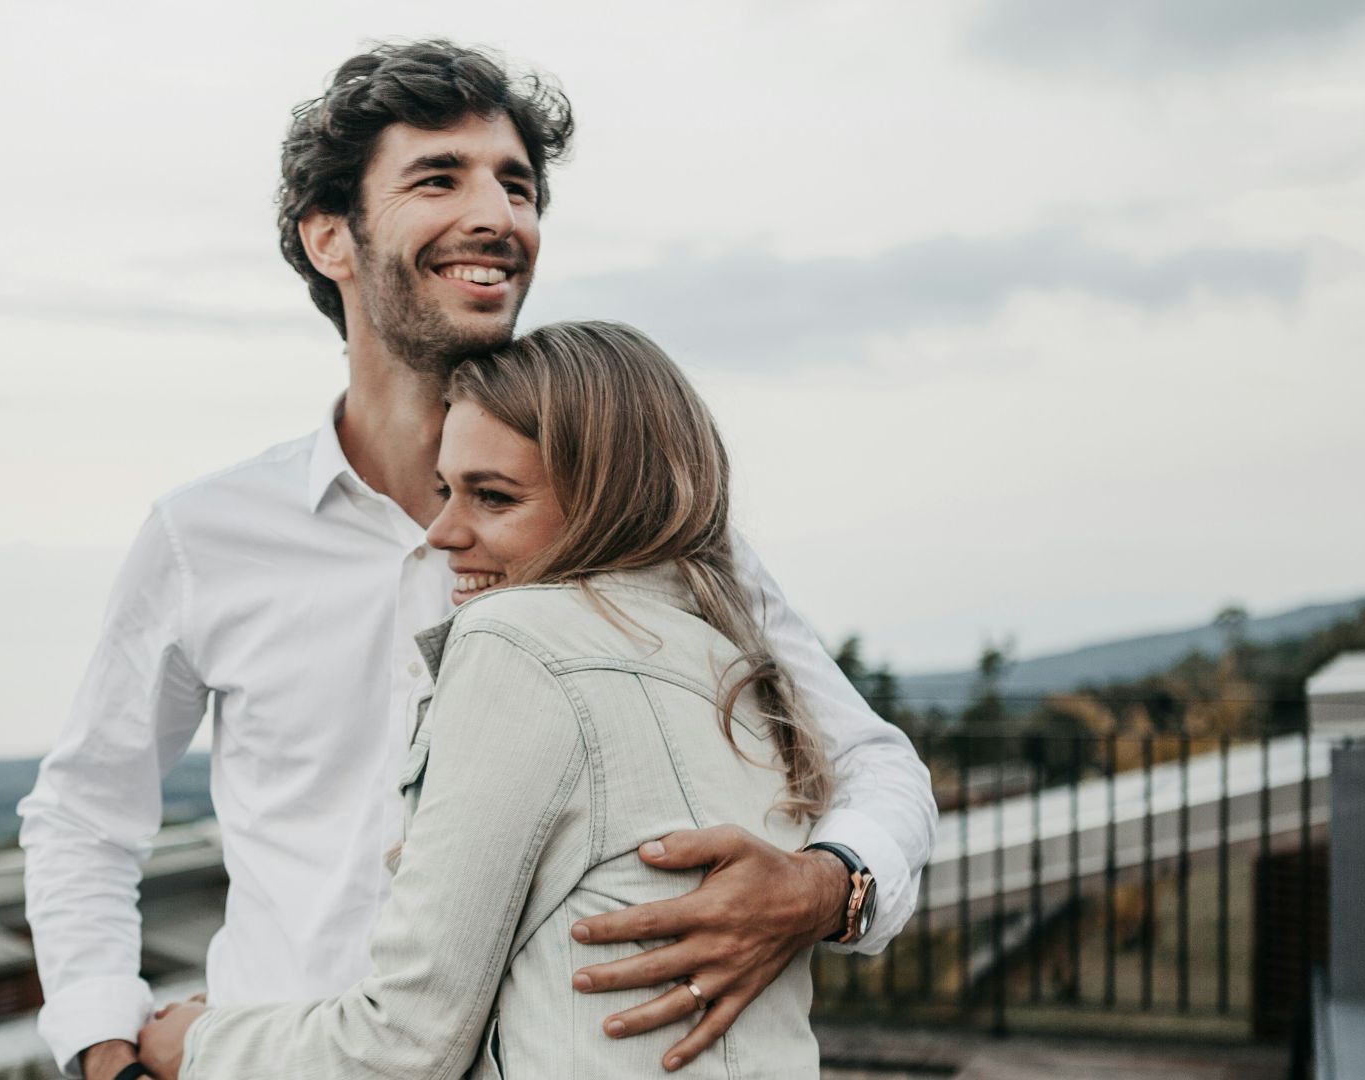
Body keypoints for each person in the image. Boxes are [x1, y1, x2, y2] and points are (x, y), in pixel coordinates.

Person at [17, 40, 936, 1080]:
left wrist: (829, 886)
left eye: (518, 184)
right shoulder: (205, 535)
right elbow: (85, 815)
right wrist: (103, 1046)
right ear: (332, 237)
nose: (499, 215)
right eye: (438, 177)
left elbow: (872, 762)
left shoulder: (645, 521)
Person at [134, 321, 841, 1079]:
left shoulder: (515, 640)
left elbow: (406, 1044)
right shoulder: (738, 662)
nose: (442, 532)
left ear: (608, 500)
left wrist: (195, 1046)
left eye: (493, 498)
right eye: (447, 489)